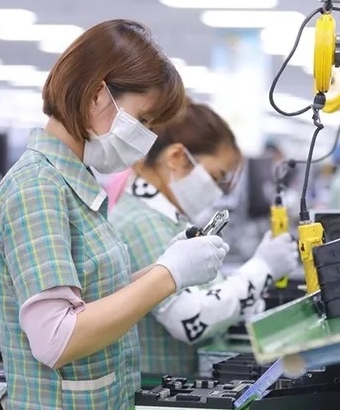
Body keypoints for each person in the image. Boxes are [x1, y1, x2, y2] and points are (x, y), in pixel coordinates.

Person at [0, 20, 231, 410]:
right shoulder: (37, 188)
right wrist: (168, 275)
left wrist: (166, 265)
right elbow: (56, 339)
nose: (146, 139)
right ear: (98, 95)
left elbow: (91, 299)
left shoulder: (74, 184)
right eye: (143, 119)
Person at [108, 100, 298, 375]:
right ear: (176, 158)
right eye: (215, 177)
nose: (218, 192)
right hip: (157, 385)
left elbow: (208, 291)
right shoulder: (141, 222)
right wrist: (262, 269)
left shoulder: (168, 219)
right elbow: (189, 320)